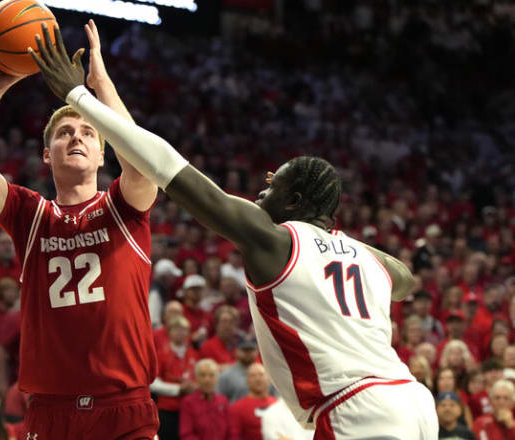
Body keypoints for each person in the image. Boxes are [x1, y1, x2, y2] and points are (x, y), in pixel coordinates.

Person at [31, 27, 438, 438]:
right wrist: (335, 240)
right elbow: (403, 279)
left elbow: (167, 165)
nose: (262, 190)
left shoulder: (276, 240)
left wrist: (79, 95)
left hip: (356, 408)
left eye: (272, 182)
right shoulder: (369, 260)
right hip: (414, 402)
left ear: (294, 201)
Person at [0, 20, 159, 438]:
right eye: (64, 133)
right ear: (46, 154)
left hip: (124, 407)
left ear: (102, 153)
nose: (76, 137)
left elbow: (145, 159)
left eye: (87, 132)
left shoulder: (124, 206)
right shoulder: (29, 214)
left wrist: (101, 86)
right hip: (50, 412)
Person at [150, 316, 198, 440]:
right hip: (168, 410)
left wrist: (195, 386)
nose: (180, 333)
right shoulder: (161, 354)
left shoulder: (194, 354)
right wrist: (178, 389)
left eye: (184, 329)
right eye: (176, 329)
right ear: (169, 332)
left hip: (190, 410)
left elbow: (199, 378)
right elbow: (153, 382)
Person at [179, 359, 231, 440]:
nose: (207, 380)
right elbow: (186, 434)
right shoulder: (188, 402)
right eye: (202, 375)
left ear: (217, 378)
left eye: (211, 375)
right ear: (196, 378)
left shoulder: (223, 401)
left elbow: (231, 431)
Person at [229, 363, 277, 440]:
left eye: (261, 374)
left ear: (268, 379)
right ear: (247, 381)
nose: (258, 379)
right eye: (253, 376)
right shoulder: (237, 408)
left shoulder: (277, 405)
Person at [217, 338, 260, 404]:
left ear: (257, 351)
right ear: (236, 351)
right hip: (235, 412)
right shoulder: (226, 375)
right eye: (244, 350)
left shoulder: (266, 375)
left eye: (251, 350)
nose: (248, 353)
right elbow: (218, 401)